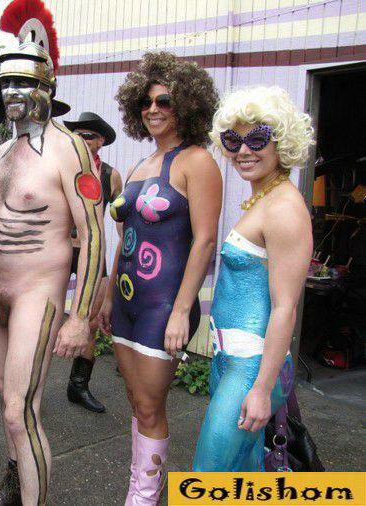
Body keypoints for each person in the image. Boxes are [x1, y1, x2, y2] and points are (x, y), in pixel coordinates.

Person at [0, 1, 105, 503]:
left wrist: (80, 317)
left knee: (20, 411)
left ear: (47, 88)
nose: (13, 91)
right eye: (7, 82)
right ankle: (16, 479)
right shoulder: (3, 151)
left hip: (38, 295)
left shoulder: (70, 149)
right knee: (4, 397)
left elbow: (92, 234)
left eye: (24, 82)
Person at [99, 52, 221, 505]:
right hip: (127, 303)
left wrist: (182, 312)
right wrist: (107, 296)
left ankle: (144, 497)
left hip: (163, 306)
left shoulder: (197, 162)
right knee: (136, 402)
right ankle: (141, 488)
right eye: (146, 102)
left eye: (164, 101)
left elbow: (204, 242)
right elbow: (125, 237)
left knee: (150, 406)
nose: (153, 109)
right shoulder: (140, 165)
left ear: (186, 105)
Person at [193, 86, 313, 471]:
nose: (244, 150)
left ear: (282, 143)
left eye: (258, 139)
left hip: (252, 368)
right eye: (233, 140)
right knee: (242, 472)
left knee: (208, 476)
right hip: (232, 362)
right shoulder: (264, 199)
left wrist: (261, 388)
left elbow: (285, 308)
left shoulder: (284, 209)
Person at [63, 111, 122, 413]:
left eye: (90, 136)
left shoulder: (111, 175)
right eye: (79, 135)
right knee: (42, 318)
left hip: (93, 252)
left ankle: (78, 385)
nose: (84, 140)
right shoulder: (61, 166)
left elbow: (122, 220)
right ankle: (30, 386)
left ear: (102, 141)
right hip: (60, 250)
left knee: (92, 320)